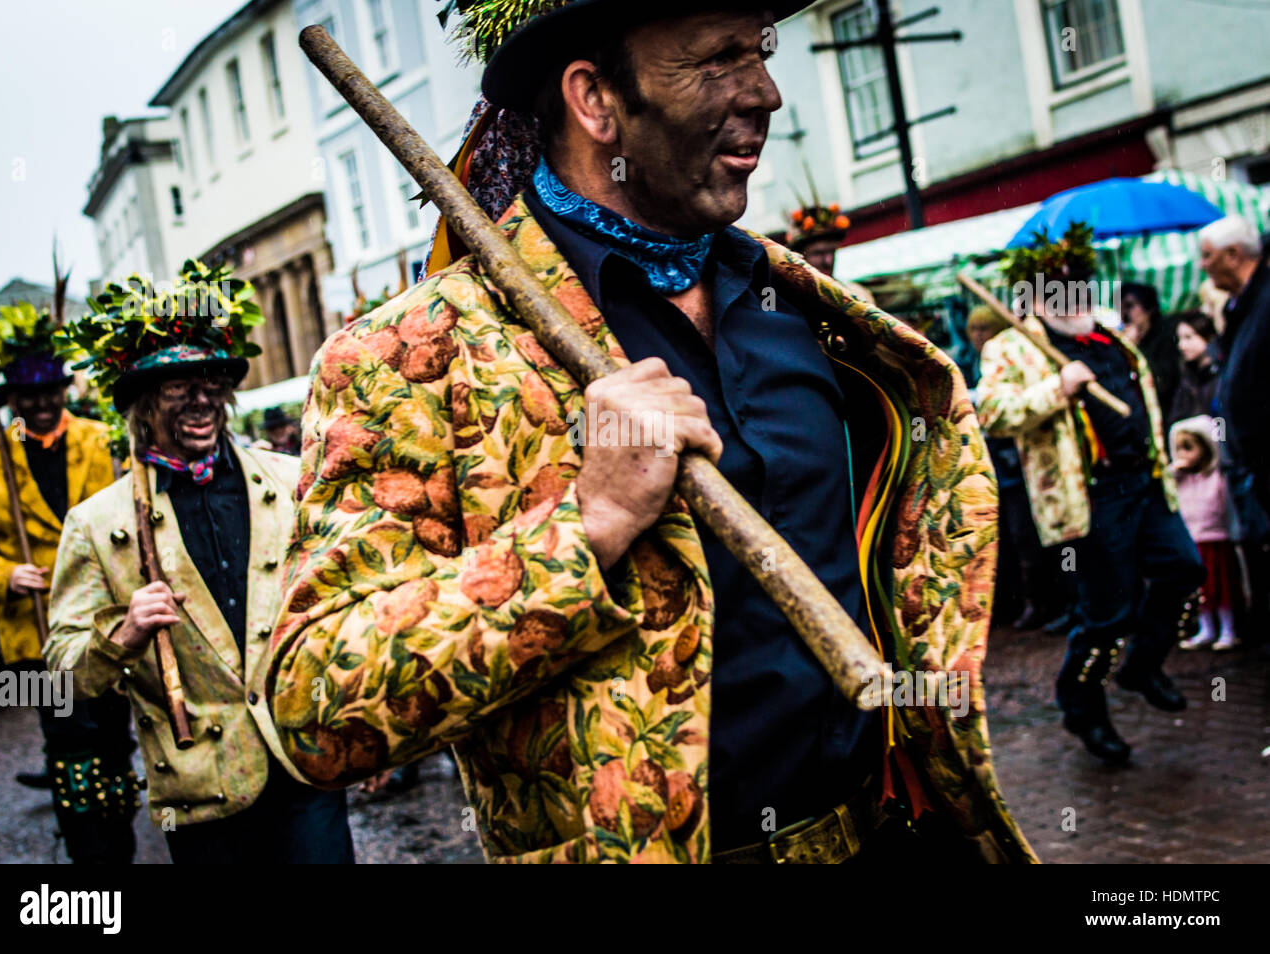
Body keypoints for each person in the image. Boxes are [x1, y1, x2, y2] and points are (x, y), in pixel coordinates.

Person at [264, 0, 1035, 864]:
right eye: (716, 60)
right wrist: (585, 529)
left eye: (762, 51)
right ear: (595, 100)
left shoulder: (811, 317)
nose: (767, 92)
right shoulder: (409, 360)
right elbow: (312, 712)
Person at [45, 262, 355, 864]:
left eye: (212, 380)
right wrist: (125, 633)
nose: (202, 398)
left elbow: (339, 605)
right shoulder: (95, 525)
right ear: (139, 401)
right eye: (178, 384)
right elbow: (61, 673)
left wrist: (357, 724)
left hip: (305, 761)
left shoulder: (290, 481)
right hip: (202, 791)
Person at [975, 224, 1205, 766]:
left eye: (1077, 281)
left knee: (1183, 570)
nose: (1071, 292)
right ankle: (1083, 704)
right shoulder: (1015, 346)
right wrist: (1059, 388)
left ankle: (1144, 663)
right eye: (1057, 283)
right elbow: (991, 412)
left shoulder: (1109, 336)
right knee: (1106, 618)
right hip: (1090, 501)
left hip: (1146, 484)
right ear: (1034, 293)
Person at [0, 302, 138, 863]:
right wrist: (0, 573)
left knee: (115, 742)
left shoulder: (104, 442)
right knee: (67, 746)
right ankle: (86, 853)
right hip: (38, 637)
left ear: (65, 390)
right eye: (28, 397)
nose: (41, 406)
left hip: (106, 624)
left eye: (50, 394)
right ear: (10, 398)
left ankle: (120, 843)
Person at [965, 306, 1067, 631]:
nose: (979, 336)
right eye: (974, 330)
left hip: (1025, 465)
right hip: (995, 471)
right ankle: (1027, 604)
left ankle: (1054, 604)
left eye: (985, 329)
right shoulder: (971, 364)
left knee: (1040, 538)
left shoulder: (1017, 356)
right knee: (1012, 541)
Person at [1202, 215, 1270, 515]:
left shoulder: (1264, 301)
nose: (1203, 265)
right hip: (1254, 467)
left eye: (1207, 256)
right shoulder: (1239, 306)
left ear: (1233, 255)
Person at [1170, 417, 1241, 652]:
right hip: (1194, 542)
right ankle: (1206, 629)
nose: (1182, 455)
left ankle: (1229, 630)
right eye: (1179, 448)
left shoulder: (1217, 478)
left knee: (1222, 590)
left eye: (1188, 448)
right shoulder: (1181, 480)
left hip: (1216, 541)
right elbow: (1168, 481)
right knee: (1202, 593)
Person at [1120, 282, 1180, 424]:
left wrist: (1134, 349)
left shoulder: (1167, 336)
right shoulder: (1126, 340)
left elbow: (1162, 382)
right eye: (1120, 308)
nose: (1124, 314)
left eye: (1130, 306)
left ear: (1148, 308)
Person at [1170, 311, 1221, 423]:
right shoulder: (1187, 378)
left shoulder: (1221, 375)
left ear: (1207, 337)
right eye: (1179, 339)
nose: (1181, 345)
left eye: (1188, 337)